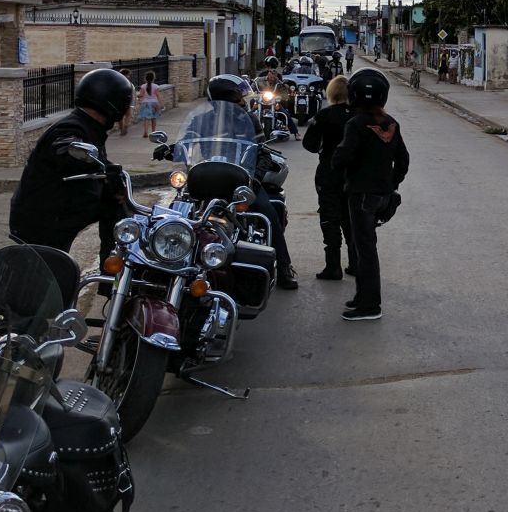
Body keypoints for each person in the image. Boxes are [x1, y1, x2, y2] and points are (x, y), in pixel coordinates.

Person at [170, 74, 300, 289]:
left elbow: (263, 153)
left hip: (240, 181)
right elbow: (186, 142)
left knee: (268, 213)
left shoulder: (248, 119)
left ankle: (284, 266)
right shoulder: (201, 120)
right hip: (206, 178)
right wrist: (171, 150)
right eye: (237, 98)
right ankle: (168, 259)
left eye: (240, 98)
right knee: (175, 211)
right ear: (222, 100)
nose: (242, 102)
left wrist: (254, 180)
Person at [10, 68, 132, 255]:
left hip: (64, 209)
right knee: (50, 270)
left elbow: (98, 161)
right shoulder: (70, 127)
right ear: (114, 103)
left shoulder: (91, 127)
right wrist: (89, 159)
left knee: (114, 203)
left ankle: (114, 264)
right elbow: (65, 145)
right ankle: (109, 266)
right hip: (42, 218)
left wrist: (112, 173)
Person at [331, 69, 408, 322]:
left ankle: (370, 306)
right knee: (363, 246)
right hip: (382, 195)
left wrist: (342, 169)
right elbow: (403, 161)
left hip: (361, 195)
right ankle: (361, 296)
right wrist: (390, 183)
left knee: (365, 250)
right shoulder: (391, 123)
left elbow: (341, 157)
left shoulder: (355, 124)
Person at [302, 75, 357, 282]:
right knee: (351, 218)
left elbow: (310, 144)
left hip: (329, 173)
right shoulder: (359, 116)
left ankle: (333, 266)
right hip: (354, 175)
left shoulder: (325, 115)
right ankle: (356, 263)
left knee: (330, 218)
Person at [135, 71, 162, 135]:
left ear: (145, 78)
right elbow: (158, 95)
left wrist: (137, 96)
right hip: (154, 104)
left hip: (145, 104)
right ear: (153, 78)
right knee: (153, 118)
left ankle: (146, 132)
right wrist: (161, 104)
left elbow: (141, 95)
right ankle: (153, 132)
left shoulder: (143, 86)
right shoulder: (156, 86)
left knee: (146, 119)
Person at [116, 68, 134, 135]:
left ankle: (121, 129)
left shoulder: (117, 83)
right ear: (126, 75)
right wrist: (132, 102)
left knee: (120, 116)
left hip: (119, 102)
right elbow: (132, 94)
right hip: (127, 101)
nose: (129, 76)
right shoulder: (129, 83)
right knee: (128, 115)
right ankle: (125, 127)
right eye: (128, 75)